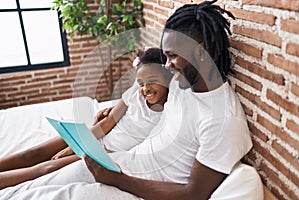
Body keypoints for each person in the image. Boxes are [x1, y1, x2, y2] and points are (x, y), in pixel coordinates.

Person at [0, 1, 254, 199]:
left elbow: (194, 194)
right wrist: (116, 111)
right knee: (34, 182)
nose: (167, 66)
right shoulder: (182, 85)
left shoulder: (223, 121)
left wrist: (117, 179)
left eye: (172, 57)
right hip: (119, 163)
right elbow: (148, 95)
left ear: (200, 53)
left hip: (132, 187)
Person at [0, 47, 171, 189]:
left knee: (44, 169)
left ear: (168, 77)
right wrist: (75, 144)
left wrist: (79, 149)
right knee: (33, 153)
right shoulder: (134, 93)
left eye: (153, 80)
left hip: (107, 154)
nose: (145, 88)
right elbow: (109, 122)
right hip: (95, 137)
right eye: (141, 82)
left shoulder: (171, 112)